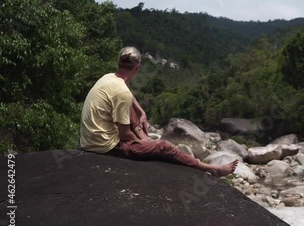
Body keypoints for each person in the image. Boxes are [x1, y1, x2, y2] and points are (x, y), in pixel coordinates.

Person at [80, 46, 238, 177]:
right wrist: (148, 144)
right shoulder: (122, 93)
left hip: (90, 140)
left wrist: (142, 112)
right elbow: (124, 134)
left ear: (119, 63)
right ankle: (210, 168)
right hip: (106, 148)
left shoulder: (109, 78)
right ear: (138, 67)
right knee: (164, 147)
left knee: (128, 109)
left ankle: (145, 142)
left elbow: (127, 95)